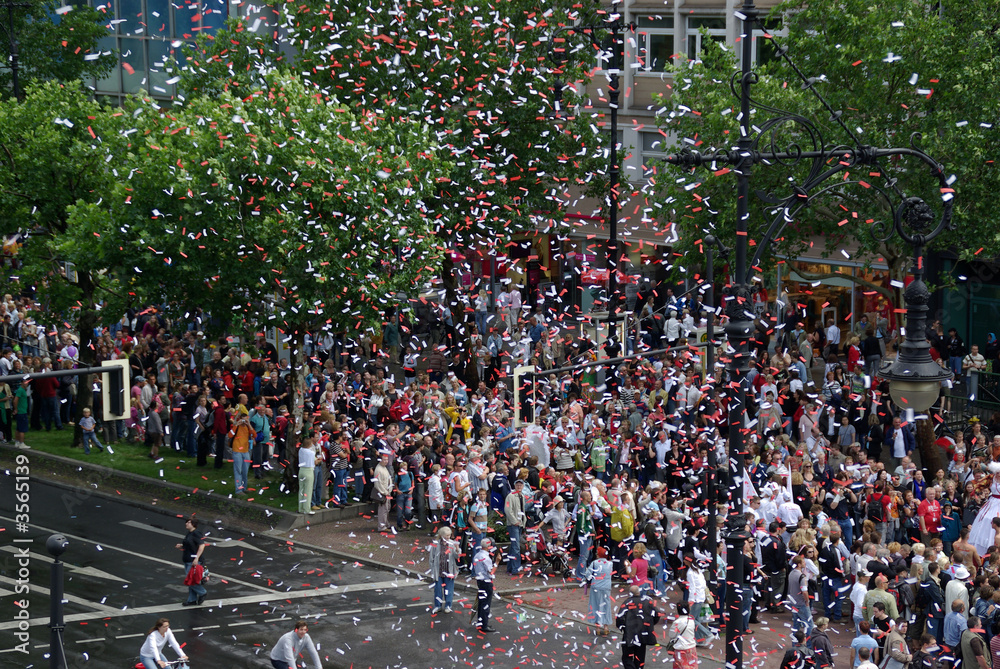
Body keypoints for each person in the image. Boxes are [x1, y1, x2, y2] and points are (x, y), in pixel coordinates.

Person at [616, 585, 661, 669]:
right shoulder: (647, 602)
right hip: (643, 634)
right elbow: (657, 614)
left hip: (630, 634)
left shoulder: (627, 602)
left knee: (627, 657)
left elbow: (620, 618)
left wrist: (622, 627)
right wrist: (651, 624)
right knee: (640, 658)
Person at [970, 463, 1000, 556]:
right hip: (992, 502)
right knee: (985, 519)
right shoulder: (990, 477)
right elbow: (979, 486)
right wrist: (977, 494)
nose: (998, 474)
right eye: (997, 472)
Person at [175, 517, 206, 606]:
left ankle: (202, 592)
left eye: (189, 522)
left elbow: (202, 546)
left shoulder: (196, 533)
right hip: (187, 560)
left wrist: (196, 558)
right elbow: (190, 545)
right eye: (187, 522)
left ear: (193, 524)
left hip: (192, 561)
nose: (186, 523)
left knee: (190, 580)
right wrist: (181, 545)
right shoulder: (189, 533)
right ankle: (192, 600)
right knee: (191, 580)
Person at [428, 526, 459, 614]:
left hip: (449, 571)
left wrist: (457, 549)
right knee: (437, 589)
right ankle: (438, 606)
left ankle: (448, 606)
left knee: (449, 590)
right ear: (441, 535)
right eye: (446, 536)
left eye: (449, 535)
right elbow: (431, 558)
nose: (448, 537)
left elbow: (457, 557)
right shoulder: (436, 544)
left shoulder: (452, 544)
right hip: (438, 571)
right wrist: (432, 570)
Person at [587, 546, 614, 636]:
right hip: (606, 587)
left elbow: (588, 575)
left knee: (595, 605)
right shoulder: (610, 564)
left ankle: (597, 627)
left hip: (596, 587)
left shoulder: (594, 563)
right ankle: (606, 627)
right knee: (606, 606)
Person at [472, 537, 497, 633]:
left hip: (480, 581)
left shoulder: (477, 555)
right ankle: (484, 625)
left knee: (481, 602)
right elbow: (491, 572)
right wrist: (497, 562)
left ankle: (480, 622)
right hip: (486, 582)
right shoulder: (486, 558)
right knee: (486, 603)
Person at [504, 479, 527, 575]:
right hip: (513, 524)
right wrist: (514, 521)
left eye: (520, 485)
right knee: (516, 547)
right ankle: (515, 568)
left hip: (520, 523)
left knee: (513, 547)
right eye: (517, 485)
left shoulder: (522, 497)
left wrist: (523, 521)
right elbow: (508, 510)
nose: (519, 486)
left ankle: (510, 567)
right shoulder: (510, 496)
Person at [668, 602, 698, 669]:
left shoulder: (677, 622)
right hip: (691, 647)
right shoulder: (691, 620)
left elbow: (671, 635)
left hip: (680, 648)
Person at [373, 452, 393, 532]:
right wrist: (384, 492)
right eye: (384, 459)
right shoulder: (378, 469)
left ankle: (386, 524)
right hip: (383, 493)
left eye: (387, 459)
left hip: (387, 492)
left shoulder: (384, 468)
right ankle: (382, 526)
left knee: (387, 509)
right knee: (383, 510)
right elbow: (378, 483)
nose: (386, 461)